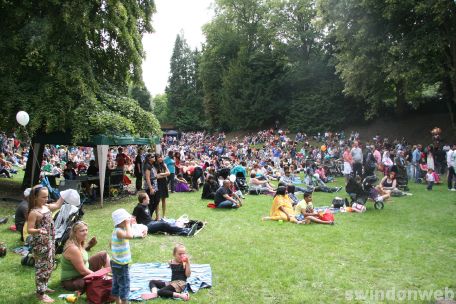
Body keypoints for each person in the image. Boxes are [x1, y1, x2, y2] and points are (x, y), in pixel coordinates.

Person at [27, 185, 65, 303]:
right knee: (42, 267)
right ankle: (40, 294)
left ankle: (44, 286)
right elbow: (29, 229)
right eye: (43, 197)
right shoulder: (34, 212)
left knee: (50, 265)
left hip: (49, 241)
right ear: (35, 198)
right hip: (40, 244)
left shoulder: (46, 207)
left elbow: (58, 205)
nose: (46, 199)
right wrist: (38, 230)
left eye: (47, 197)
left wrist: (65, 194)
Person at [60, 221, 110, 292]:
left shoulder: (79, 242)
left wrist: (89, 245)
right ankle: (106, 279)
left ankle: (110, 275)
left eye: (86, 230)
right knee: (97, 282)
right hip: (73, 280)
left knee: (103, 254)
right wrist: (100, 276)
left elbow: (81, 254)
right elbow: (83, 271)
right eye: (82, 231)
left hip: (84, 271)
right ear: (75, 233)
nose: (85, 232)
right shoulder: (73, 248)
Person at [132, 193, 197, 236]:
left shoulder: (146, 206)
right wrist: (138, 229)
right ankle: (187, 231)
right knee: (163, 224)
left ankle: (184, 231)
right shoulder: (138, 207)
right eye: (148, 198)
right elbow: (133, 218)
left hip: (151, 223)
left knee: (165, 222)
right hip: (147, 226)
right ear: (144, 200)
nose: (149, 199)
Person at [111, 209, 134, 304]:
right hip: (121, 264)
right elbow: (130, 236)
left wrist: (130, 223)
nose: (127, 221)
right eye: (126, 220)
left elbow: (130, 233)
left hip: (115, 262)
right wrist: (128, 224)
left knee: (116, 283)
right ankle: (123, 302)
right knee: (124, 285)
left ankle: (118, 302)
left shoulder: (117, 230)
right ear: (122, 221)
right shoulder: (119, 232)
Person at [143, 154, 160, 220]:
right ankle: (148, 218)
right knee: (151, 202)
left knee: (156, 200)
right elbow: (147, 178)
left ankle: (149, 217)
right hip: (150, 186)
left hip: (154, 185)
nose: (154, 157)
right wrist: (150, 188)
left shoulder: (151, 165)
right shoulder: (147, 166)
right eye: (152, 157)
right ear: (149, 158)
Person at [154, 154, 170, 219]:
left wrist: (161, 174)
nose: (160, 158)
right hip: (157, 183)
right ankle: (157, 216)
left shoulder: (164, 165)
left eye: (161, 157)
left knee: (164, 199)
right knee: (157, 200)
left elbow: (168, 173)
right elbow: (156, 176)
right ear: (156, 159)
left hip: (163, 183)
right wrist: (164, 175)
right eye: (159, 157)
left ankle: (163, 216)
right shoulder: (154, 166)